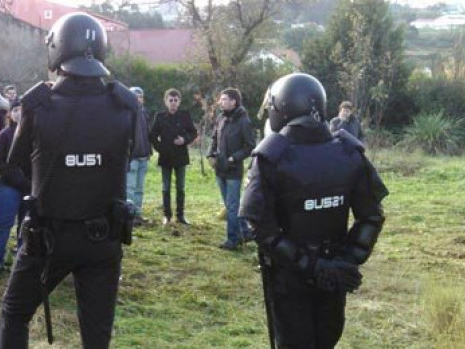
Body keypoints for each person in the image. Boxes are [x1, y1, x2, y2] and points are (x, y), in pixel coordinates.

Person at [0, 12, 137, 348]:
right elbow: (131, 157)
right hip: (104, 238)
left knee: (15, 313)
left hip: (49, 237)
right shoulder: (125, 104)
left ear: (57, 49)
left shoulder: (38, 105)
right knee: (97, 331)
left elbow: (13, 162)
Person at [239, 73, 387, 348]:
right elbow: (372, 216)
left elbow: (260, 226)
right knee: (325, 340)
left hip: (292, 275)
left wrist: (318, 265)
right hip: (333, 270)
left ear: (281, 107)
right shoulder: (348, 152)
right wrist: (343, 261)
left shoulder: (271, 157)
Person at [0, 101, 30, 274]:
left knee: (26, 225)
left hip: (30, 187)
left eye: (22, 110)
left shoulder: (34, 134)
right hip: (9, 185)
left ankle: (22, 260)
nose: (19, 113)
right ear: (10, 113)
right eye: (15, 110)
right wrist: (15, 177)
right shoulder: (4, 135)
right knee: (4, 222)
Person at [206, 88, 256, 250]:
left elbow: (250, 146)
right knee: (230, 205)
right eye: (221, 99)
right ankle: (245, 232)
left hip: (234, 170)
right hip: (220, 168)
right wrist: (210, 155)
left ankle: (232, 240)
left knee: (233, 206)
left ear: (234, 102)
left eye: (225, 99)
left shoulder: (243, 121)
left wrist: (233, 158)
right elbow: (214, 138)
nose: (221, 102)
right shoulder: (221, 118)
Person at [149, 88, 197, 225]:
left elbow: (193, 132)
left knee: (180, 187)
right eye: (171, 100)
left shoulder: (185, 115)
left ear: (179, 102)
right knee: (166, 187)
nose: (173, 103)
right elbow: (152, 135)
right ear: (166, 101)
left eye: (176, 100)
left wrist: (185, 140)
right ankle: (167, 215)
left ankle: (180, 216)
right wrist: (160, 148)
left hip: (181, 156)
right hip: (165, 157)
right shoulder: (159, 116)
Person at [126, 86, 152, 226]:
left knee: (139, 189)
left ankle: (138, 214)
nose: (138, 99)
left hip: (143, 156)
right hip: (132, 158)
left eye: (140, 96)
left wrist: (149, 151)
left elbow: (147, 134)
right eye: (135, 96)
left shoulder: (144, 113)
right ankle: (129, 217)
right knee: (129, 188)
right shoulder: (126, 113)